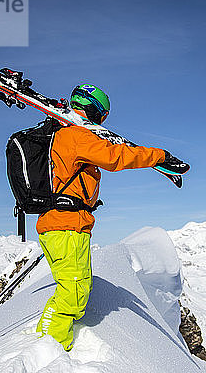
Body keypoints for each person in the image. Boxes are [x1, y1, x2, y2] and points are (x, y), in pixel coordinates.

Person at [33, 84, 171, 351]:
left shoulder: (67, 135)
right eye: (103, 116)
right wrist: (159, 156)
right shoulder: (76, 136)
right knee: (73, 293)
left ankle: (49, 341)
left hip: (67, 225)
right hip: (66, 225)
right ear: (95, 112)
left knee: (75, 287)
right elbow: (115, 157)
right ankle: (47, 348)